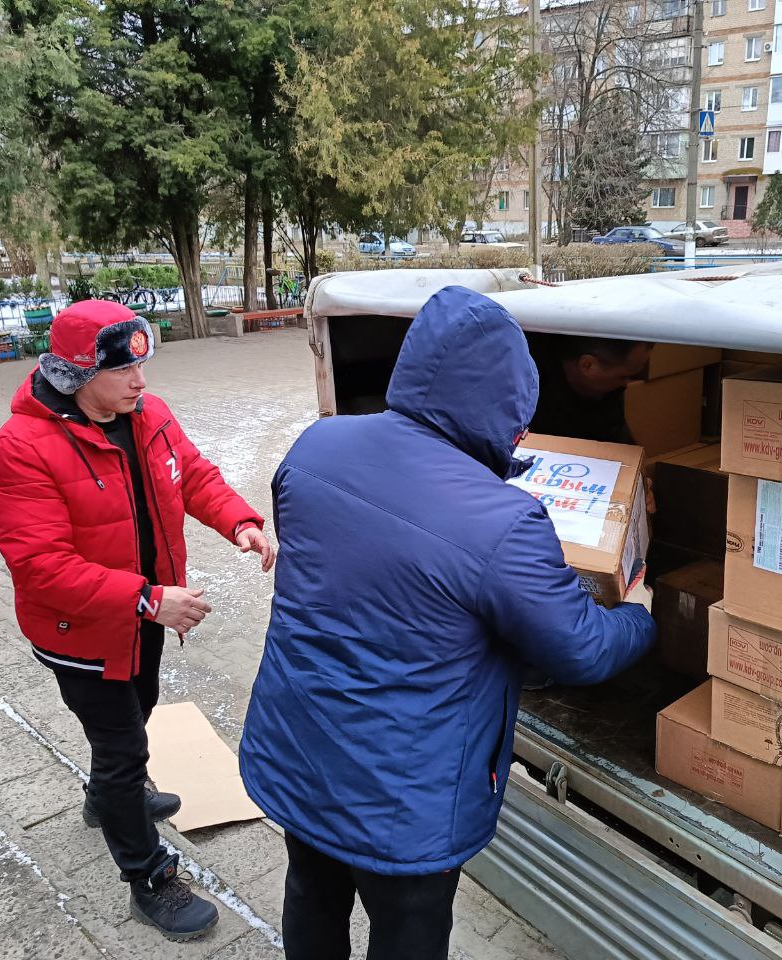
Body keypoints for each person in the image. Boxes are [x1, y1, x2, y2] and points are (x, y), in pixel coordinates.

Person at [239, 286, 655, 960]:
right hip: (403, 799)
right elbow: (579, 648)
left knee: (311, 891)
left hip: (298, 747)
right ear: (509, 401)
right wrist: (639, 616)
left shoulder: (318, 445)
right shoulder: (503, 519)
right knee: (408, 931)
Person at [0, 300, 274, 942]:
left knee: (139, 708)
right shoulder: (22, 448)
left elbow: (191, 476)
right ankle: (149, 879)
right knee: (123, 748)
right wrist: (148, 599)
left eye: (144, 364)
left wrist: (241, 521)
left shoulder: (146, 413)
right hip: (79, 632)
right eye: (124, 370)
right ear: (78, 374)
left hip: (142, 612)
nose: (142, 381)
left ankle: (106, 798)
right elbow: (41, 566)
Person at [526, 334, 654, 445]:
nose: (627, 384)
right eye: (624, 376)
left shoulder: (610, 388)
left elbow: (617, 436)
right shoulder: (526, 384)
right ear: (588, 365)